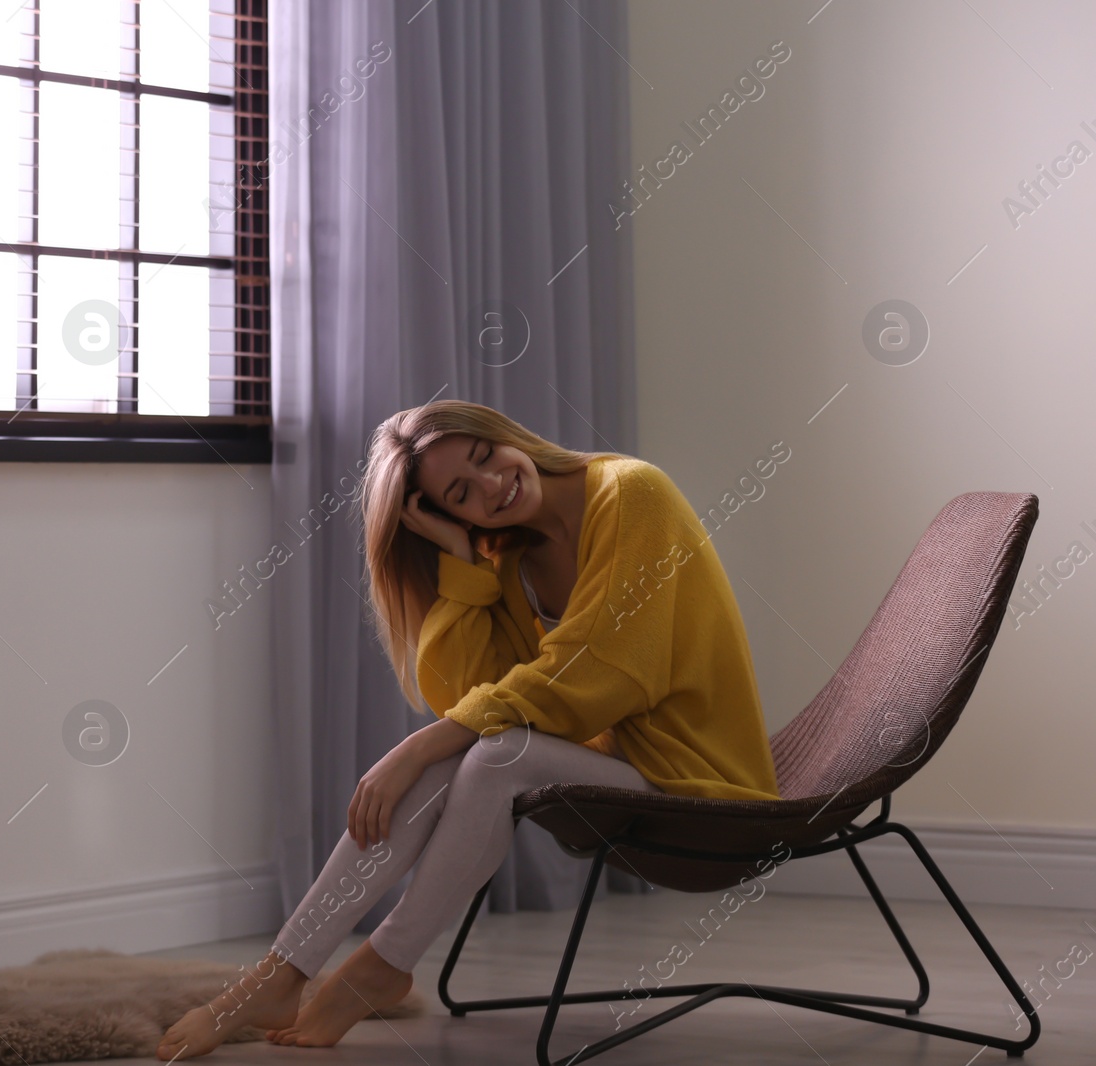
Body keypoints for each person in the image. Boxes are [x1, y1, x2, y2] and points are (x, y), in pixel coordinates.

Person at [157, 399, 779, 1060]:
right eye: (462, 493)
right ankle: (283, 974)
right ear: (451, 514)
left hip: (699, 784)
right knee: (474, 752)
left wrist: (422, 742)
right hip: (617, 768)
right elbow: (471, 693)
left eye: (485, 457)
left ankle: (381, 962)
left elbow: (602, 671)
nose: (493, 485)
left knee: (488, 754)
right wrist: (463, 568)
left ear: (505, 435)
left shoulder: (633, 493)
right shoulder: (506, 553)